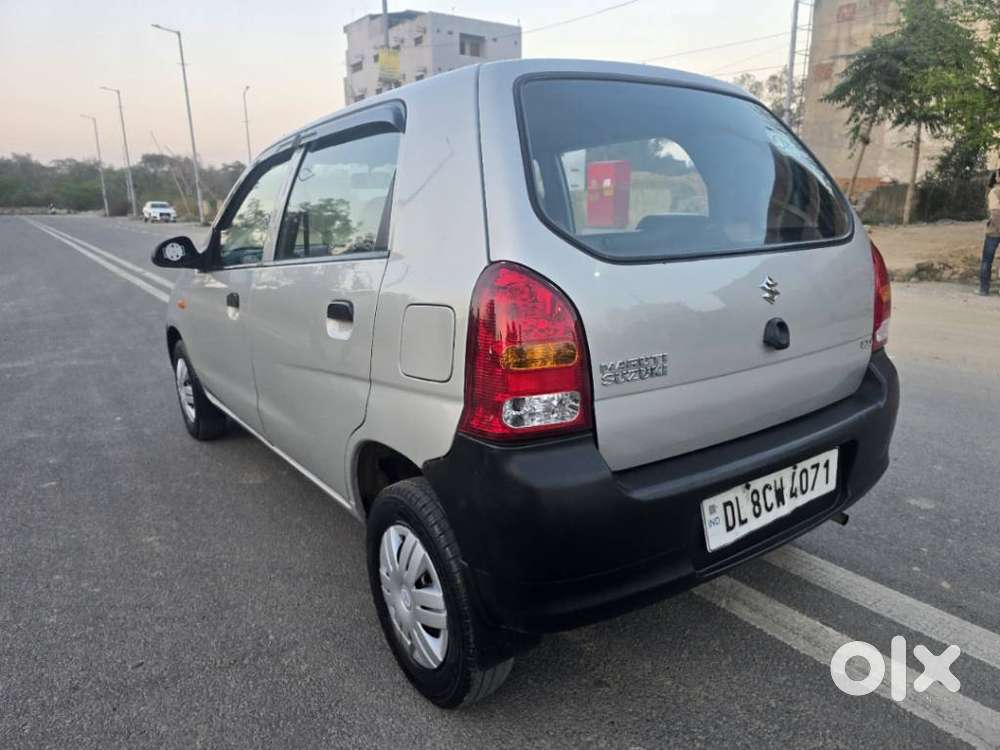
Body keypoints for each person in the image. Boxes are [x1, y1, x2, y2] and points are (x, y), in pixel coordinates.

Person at [979, 170, 1000, 296]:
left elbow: (995, 213)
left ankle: (984, 288)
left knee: (987, 259)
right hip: (995, 228)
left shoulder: (994, 192)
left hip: (994, 230)